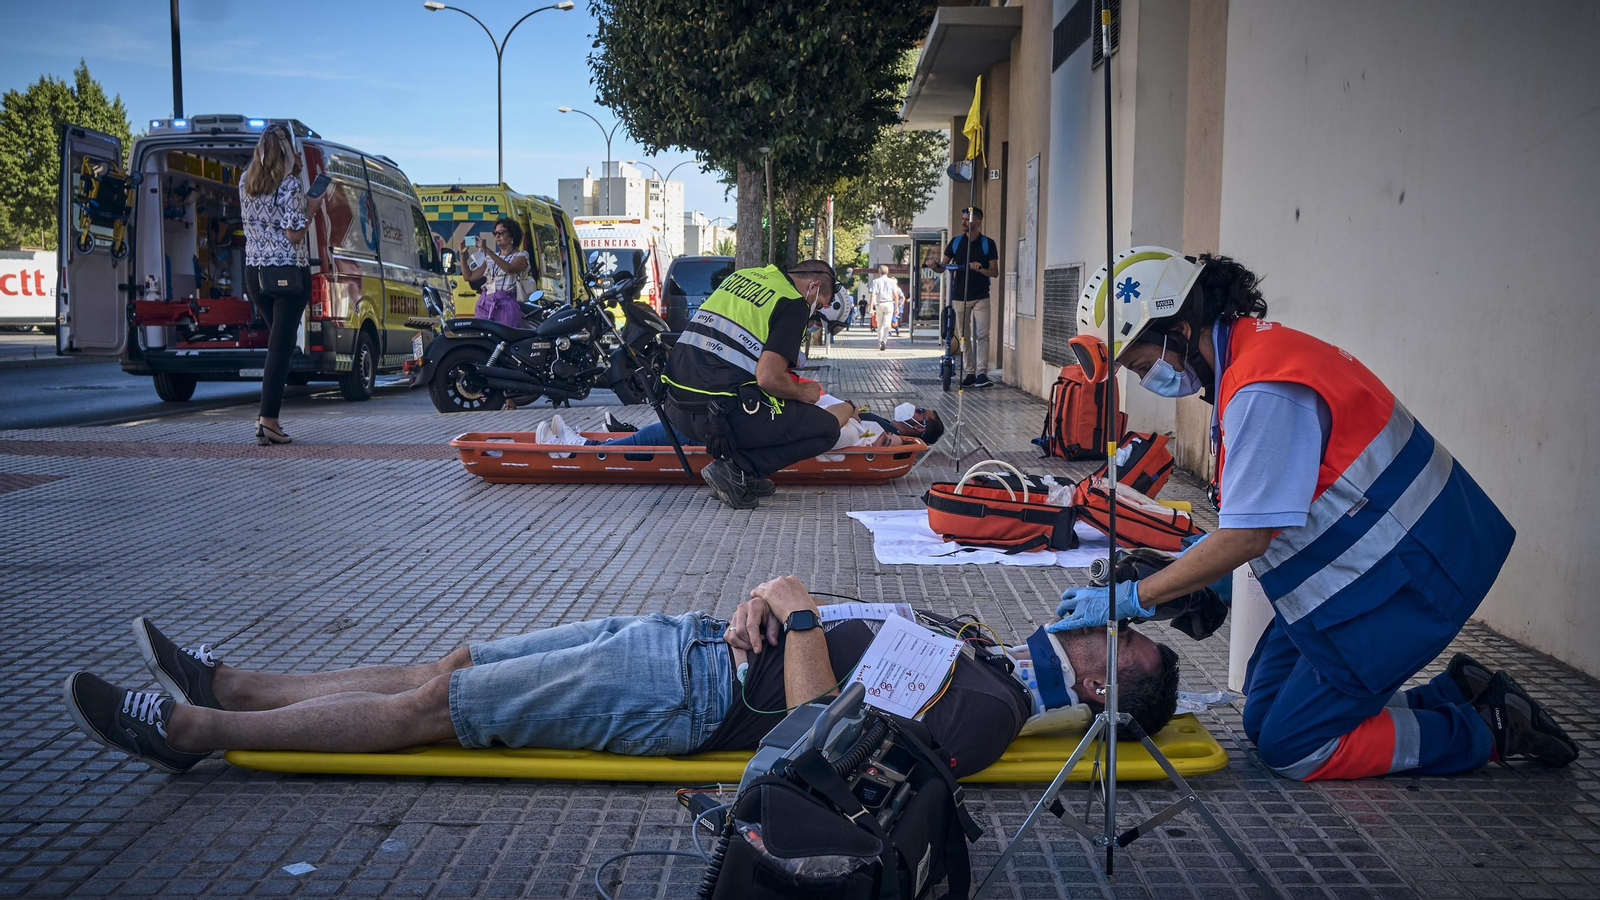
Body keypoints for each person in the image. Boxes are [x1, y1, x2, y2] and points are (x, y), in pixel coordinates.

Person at [1051, 246, 1577, 779]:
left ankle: (1488, 729)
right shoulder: (1248, 362)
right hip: (1370, 572)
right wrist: (1198, 573)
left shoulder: (1261, 386)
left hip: (1410, 577)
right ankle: (1460, 693)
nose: (1147, 380)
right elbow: (1271, 513)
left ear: (1180, 330)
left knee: (1294, 746)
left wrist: (1134, 598)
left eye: (1142, 364)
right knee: (1262, 712)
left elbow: (1247, 539)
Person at [63, 576, 1179, 780]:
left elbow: (809, 733)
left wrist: (786, 604)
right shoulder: (984, 652)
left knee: (431, 711)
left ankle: (194, 731)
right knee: (447, 662)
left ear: (1096, 697)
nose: (1098, 628)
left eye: (1111, 649)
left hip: (683, 697)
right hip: (689, 639)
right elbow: (832, 633)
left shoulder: (984, 705)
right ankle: (243, 684)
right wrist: (765, 602)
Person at [661, 260, 844, 509]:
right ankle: (737, 469)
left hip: (676, 406)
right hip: (718, 416)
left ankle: (741, 475)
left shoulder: (743, 277)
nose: (813, 313)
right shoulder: (792, 302)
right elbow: (768, 378)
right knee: (827, 428)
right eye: (819, 306)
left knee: (775, 405)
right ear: (813, 286)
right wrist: (802, 392)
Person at [238, 123, 327, 446]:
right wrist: (312, 207)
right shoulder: (288, 186)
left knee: (280, 345)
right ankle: (268, 421)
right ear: (287, 153)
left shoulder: (244, 183)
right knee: (280, 349)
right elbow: (294, 234)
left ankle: (268, 419)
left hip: (255, 274)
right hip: (288, 275)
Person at [941, 207, 1000, 388]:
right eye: (963, 219)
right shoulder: (956, 242)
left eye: (967, 219)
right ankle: (970, 372)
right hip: (960, 296)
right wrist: (933, 264)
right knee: (964, 336)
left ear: (978, 222)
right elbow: (942, 265)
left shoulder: (988, 244)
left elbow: (994, 272)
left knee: (982, 334)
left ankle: (982, 373)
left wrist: (980, 268)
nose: (963, 222)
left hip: (981, 296)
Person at [459, 217, 529, 329]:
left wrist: (487, 250)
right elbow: (469, 276)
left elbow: (509, 268)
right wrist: (462, 255)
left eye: (501, 233)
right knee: (483, 340)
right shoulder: (491, 258)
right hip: (485, 301)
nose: (497, 236)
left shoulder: (521, 255)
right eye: (495, 233)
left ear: (512, 235)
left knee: (503, 340)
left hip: (506, 303)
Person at [869, 264, 903, 351]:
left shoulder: (875, 281)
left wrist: (871, 307)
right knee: (887, 324)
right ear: (888, 272)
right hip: (889, 304)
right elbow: (896, 295)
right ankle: (884, 340)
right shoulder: (892, 282)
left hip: (879, 304)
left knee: (879, 324)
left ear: (879, 272)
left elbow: (873, 294)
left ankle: (880, 342)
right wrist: (897, 307)